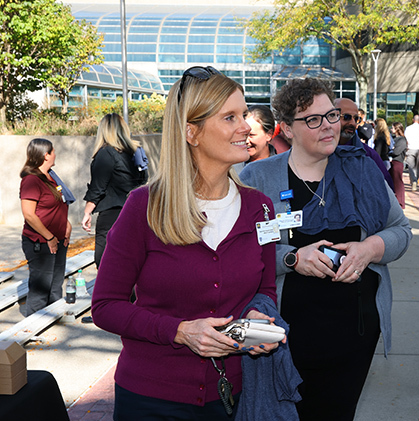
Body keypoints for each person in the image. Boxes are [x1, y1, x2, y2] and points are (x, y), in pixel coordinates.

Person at [92, 66, 285, 420]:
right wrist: (179, 332)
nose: (246, 126)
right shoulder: (144, 206)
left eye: (244, 114)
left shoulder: (261, 208)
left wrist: (257, 320)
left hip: (233, 397)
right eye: (230, 117)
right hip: (151, 398)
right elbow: (105, 305)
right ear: (191, 132)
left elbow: (266, 290)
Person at [240, 78, 412, 421]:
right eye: (313, 120)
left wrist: (369, 249)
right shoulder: (257, 177)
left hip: (355, 332)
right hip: (283, 335)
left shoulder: (361, 169)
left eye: (331, 115)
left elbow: (401, 231)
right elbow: (241, 254)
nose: (329, 126)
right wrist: (292, 258)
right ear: (287, 128)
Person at [81, 113, 147, 268]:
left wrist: (87, 212)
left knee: (105, 261)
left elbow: (98, 187)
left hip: (113, 215)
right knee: (132, 261)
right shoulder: (136, 151)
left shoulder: (106, 153)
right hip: (136, 212)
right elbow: (143, 180)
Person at [19, 138, 73, 316]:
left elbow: (58, 205)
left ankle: (52, 320)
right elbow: (29, 214)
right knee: (41, 288)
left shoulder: (51, 176)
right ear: (45, 155)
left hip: (58, 240)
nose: (55, 153)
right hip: (40, 242)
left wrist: (67, 225)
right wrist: (49, 237)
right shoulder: (31, 180)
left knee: (55, 285)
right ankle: (30, 327)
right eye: (53, 151)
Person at [333, 97, 395, 190]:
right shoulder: (317, 151)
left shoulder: (368, 155)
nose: (352, 123)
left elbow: (387, 190)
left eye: (356, 119)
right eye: (346, 117)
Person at [389, 122, 408, 209]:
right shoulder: (395, 139)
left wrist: (391, 150)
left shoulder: (402, 140)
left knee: (398, 182)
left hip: (397, 162)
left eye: (392, 128)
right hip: (393, 162)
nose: (391, 129)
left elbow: (396, 152)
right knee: (394, 182)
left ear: (397, 129)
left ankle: (400, 202)